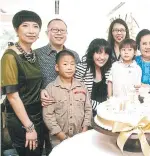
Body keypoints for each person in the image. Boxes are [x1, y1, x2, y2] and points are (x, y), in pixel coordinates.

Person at [1, 10, 44, 156]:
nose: (31, 31)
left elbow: (35, 83)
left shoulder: (34, 54)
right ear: (16, 30)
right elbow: (12, 96)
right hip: (21, 119)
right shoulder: (10, 56)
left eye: (35, 26)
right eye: (25, 25)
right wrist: (29, 128)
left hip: (37, 114)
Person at [34, 18, 80, 155]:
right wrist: (41, 90)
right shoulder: (37, 54)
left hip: (69, 111)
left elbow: (78, 81)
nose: (59, 33)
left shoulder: (74, 55)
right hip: (45, 110)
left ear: (67, 33)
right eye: (55, 30)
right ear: (47, 32)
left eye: (62, 30)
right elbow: (30, 82)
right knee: (50, 149)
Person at [43, 50, 92, 147]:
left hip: (80, 137)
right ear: (57, 67)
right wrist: (63, 137)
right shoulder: (51, 89)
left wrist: (84, 130)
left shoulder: (82, 87)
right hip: (58, 140)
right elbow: (48, 116)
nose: (69, 67)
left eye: (72, 64)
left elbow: (88, 109)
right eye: (65, 64)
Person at [75, 38, 112, 116]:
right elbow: (79, 96)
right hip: (85, 114)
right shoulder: (82, 69)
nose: (102, 57)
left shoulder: (110, 69)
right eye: (99, 53)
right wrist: (102, 108)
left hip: (106, 113)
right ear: (92, 53)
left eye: (105, 54)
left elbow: (111, 94)